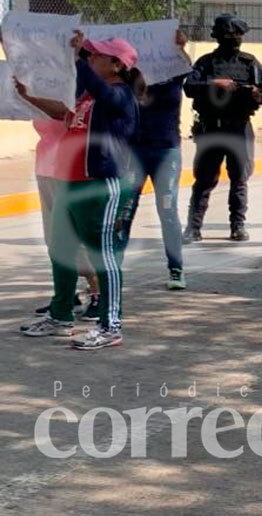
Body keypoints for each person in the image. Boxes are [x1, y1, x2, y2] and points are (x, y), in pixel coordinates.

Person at [18, 36, 142, 350]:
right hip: (69, 182)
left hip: (98, 184)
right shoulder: (90, 96)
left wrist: (75, 59)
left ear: (117, 64)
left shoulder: (120, 95)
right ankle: (60, 316)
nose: (89, 58)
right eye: (89, 54)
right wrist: (28, 96)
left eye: (96, 55)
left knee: (103, 256)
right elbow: (63, 113)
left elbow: (103, 92)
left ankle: (110, 325)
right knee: (61, 250)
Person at [183, 15, 262, 243]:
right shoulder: (206, 63)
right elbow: (189, 87)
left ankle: (238, 226)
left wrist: (258, 94)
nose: (234, 39)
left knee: (239, 179)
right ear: (219, 37)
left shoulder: (249, 63)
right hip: (210, 129)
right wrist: (214, 84)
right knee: (204, 179)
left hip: (239, 127)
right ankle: (193, 227)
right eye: (229, 35)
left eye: (237, 35)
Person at [123, 30, 192, 290]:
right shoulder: (130, 77)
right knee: (125, 208)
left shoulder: (173, 74)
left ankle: (176, 269)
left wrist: (181, 47)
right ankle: (112, 265)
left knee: (167, 209)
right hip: (136, 151)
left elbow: (190, 69)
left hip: (166, 151)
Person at [30, 120, 101, 321]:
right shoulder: (40, 91)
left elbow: (67, 116)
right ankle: (66, 294)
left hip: (71, 170)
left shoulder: (77, 93)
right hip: (45, 166)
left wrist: (31, 97)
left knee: (77, 236)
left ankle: (98, 293)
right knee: (53, 238)